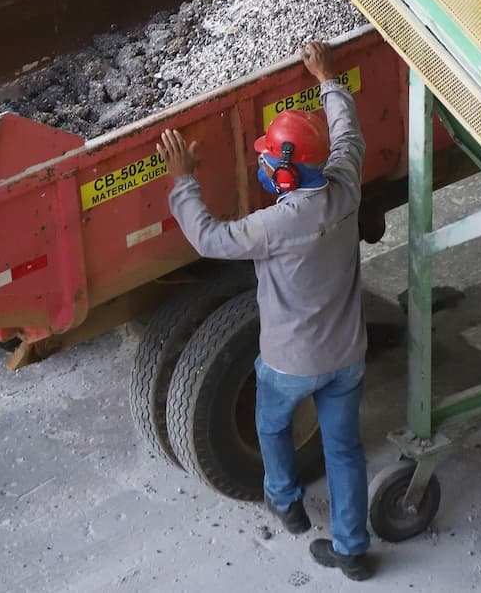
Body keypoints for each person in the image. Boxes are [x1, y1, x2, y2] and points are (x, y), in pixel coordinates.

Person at [158, 40, 373, 582]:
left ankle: (285, 500)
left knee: (271, 425)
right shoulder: (344, 185)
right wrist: (328, 80)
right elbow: (348, 134)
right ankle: (352, 551)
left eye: (264, 157)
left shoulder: (274, 226)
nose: (258, 161)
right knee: (345, 451)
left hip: (290, 361)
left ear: (283, 175)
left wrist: (183, 179)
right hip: (347, 354)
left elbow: (208, 237)